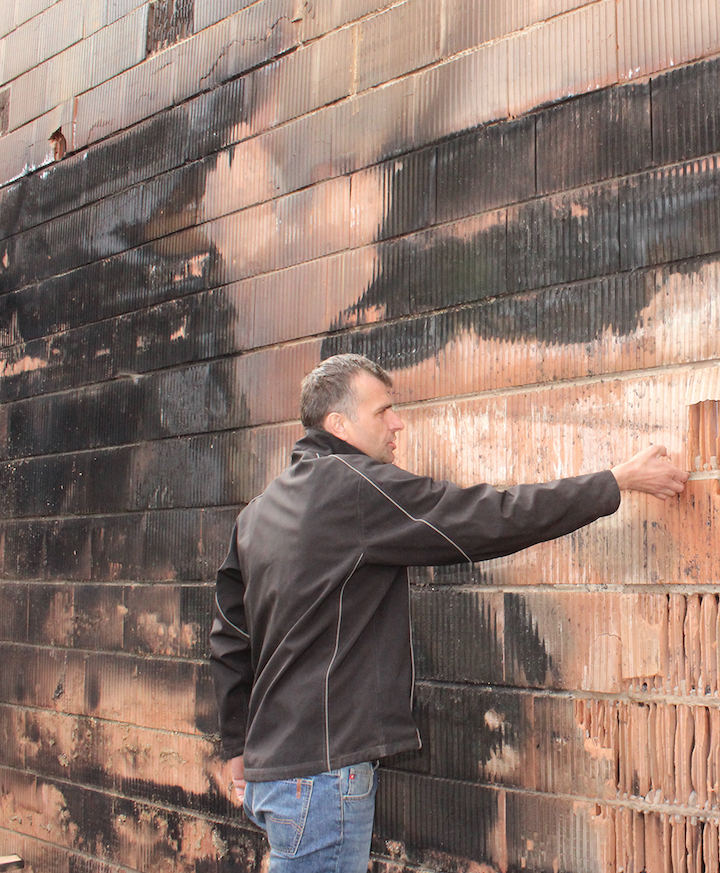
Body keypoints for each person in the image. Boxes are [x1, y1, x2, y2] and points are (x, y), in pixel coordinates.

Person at [209, 353, 688, 872]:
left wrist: (238, 745)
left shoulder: (257, 513)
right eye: (383, 411)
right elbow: (487, 517)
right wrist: (614, 481)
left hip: (276, 773)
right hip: (322, 776)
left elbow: (231, 638)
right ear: (338, 424)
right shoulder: (352, 487)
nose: (398, 422)